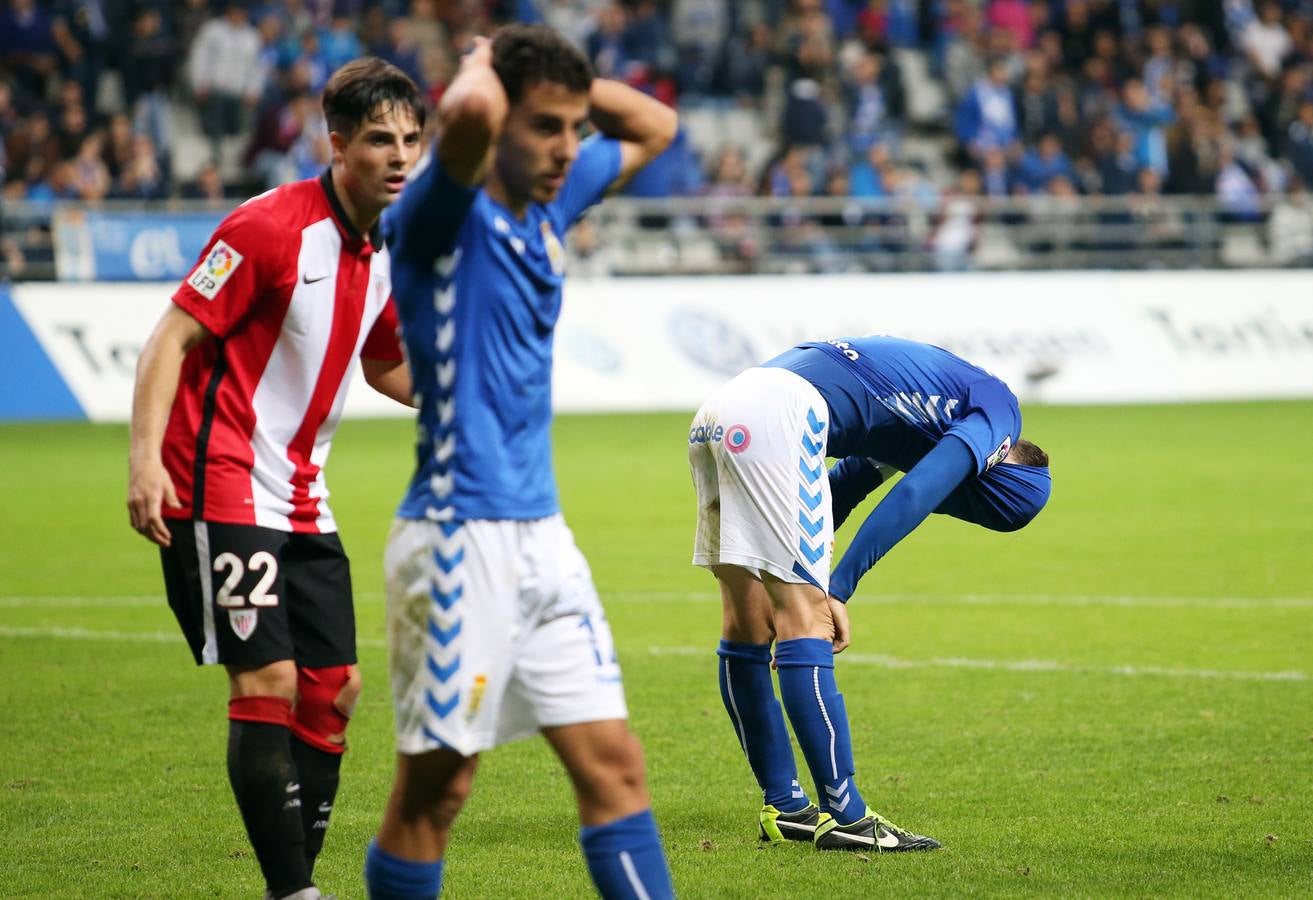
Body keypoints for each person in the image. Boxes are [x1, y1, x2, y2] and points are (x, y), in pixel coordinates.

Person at [364, 25, 677, 900]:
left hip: (544, 539)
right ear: (500, 122)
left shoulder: (551, 194)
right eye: (544, 126)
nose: (566, 148)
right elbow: (463, 109)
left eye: (574, 128)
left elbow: (655, 126)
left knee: (615, 766)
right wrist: (485, 57)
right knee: (436, 793)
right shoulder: (436, 214)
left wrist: (567, 87)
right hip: (459, 540)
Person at [126, 59, 423, 900]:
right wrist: (144, 459)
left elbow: (387, 365)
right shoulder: (265, 228)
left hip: (299, 494)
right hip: (216, 479)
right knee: (269, 682)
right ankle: (294, 893)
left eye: (410, 140)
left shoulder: (383, 248)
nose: (398, 157)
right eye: (378, 140)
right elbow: (169, 339)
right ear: (336, 144)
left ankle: (294, 885)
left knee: (333, 694)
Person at [687, 335, 1052, 851]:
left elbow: (852, 481)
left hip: (720, 412)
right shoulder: (999, 411)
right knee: (806, 619)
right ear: (1000, 465)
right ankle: (849, 818)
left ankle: (785, 808)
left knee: (746, 621)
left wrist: (796, 571)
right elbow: (917, 492)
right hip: (781, 416)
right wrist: (832, 588)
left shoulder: (928, 408)